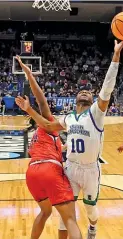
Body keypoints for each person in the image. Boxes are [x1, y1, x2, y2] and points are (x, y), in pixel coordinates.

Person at [15, 40, 123, 239]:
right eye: (82, 91)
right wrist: (29, 107)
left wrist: (116, 57)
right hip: (70, 168)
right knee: (65, 215)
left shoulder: (96, 113)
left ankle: (93, 227)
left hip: (91, 170)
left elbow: (107, 88)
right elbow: (49, 124)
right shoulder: (67, 118)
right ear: (75, 99)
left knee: (90, 211)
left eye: (88, 92)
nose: (85, 91)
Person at [15, 56, 82, 239]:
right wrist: (29, 74)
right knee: (70, 219)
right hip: (49, 169)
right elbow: (41, 100)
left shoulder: (36, 135)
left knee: (45, 212)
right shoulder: (48, 125)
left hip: (32, 173)